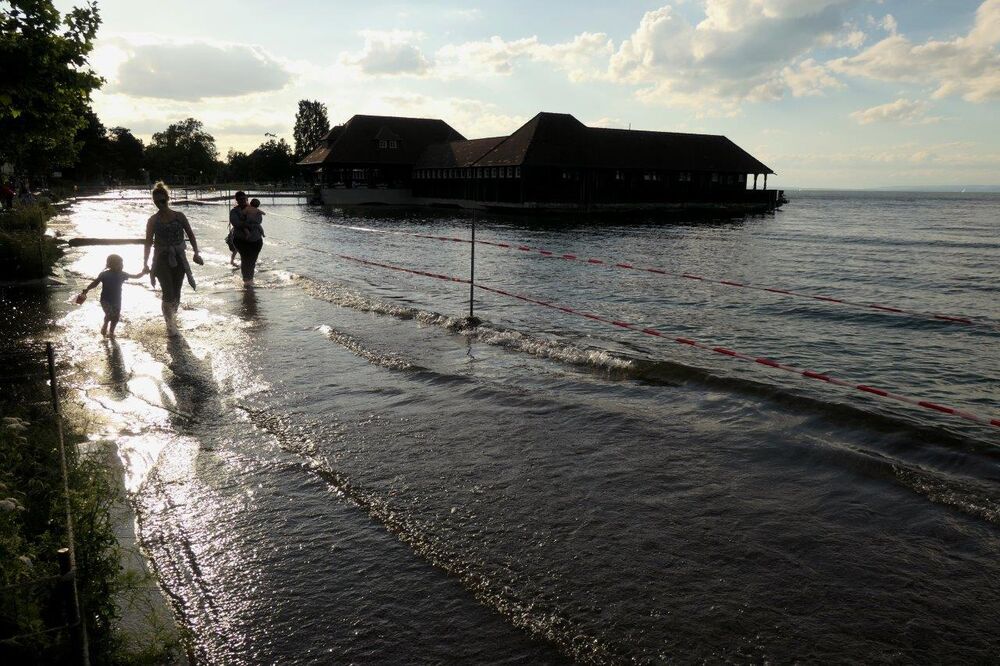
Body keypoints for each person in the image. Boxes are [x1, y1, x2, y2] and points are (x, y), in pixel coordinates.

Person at [143, 181, 203, 336]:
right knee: (168, 291)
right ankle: (170, 326)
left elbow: (190, 234)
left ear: (167, 199)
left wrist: (196, 253)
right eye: (156, 202)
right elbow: (148, 242)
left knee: (176, 292)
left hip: (179, 258)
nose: (159, 204)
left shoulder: (179, 216)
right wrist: (145, 263)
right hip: (161, 259)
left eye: (162, 201)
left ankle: (172, 317)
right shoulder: (152, 220)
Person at [79, 254, 147, 338]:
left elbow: (136, 276)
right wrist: (87, 289)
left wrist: (143, 273)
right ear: (110, 264)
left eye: (122, 263)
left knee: (116, 317)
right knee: (110, 314)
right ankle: (105, 324)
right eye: (119, 264)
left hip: (117, 300)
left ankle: (111, 332)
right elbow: (95, 283)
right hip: (105, 299)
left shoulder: (122, 274)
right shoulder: (104, 274)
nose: (121, 265)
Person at [229, 191, 264, 286]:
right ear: (237, 200)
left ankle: (250, 279)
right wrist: (248, 223)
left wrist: (251, 221)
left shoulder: (253, 209)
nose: (242, 201)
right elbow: (235, 222)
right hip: (241, 240)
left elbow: (259, 220)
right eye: (240, 199)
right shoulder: (234, 211)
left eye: (244, 199)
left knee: (252, 260)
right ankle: (246, 280)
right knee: (245, 259)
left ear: (247, 199)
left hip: (256, 240)